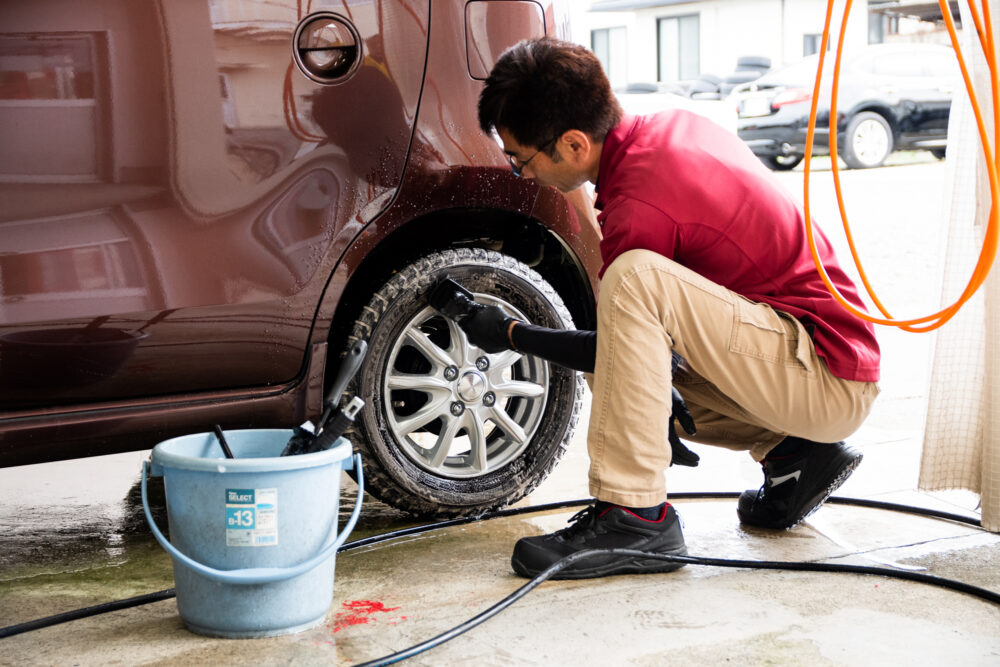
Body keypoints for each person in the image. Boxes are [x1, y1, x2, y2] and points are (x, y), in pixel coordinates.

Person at [460, 37, 880, 580]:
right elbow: (635, 352)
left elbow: (612, 342)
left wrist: (513, 334)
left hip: (826, 377)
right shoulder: (664, 134)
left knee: (633, 290)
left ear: (573, 144)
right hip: (805, 359)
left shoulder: (643, 203)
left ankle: (635, 516)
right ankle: (793, 454)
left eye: (522, 161)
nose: (525, 175)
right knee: (624, 380)